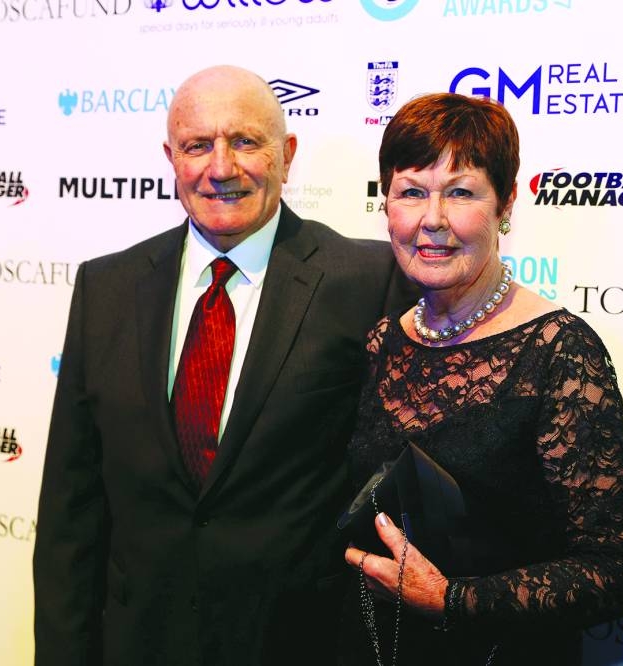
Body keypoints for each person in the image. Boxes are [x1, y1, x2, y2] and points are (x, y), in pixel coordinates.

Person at [33, 65, 414, 666]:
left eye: (244, 141)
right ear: (170, 158)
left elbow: (395, 490)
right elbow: (69, 514)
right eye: (197, 146)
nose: (220, 167)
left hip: (296, 645)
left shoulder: (368, 282)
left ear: (286, 154)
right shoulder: (105, 287)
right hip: (136, 645)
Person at [340, 93, 623, 666]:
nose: (433, 219)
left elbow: (618, 571)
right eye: (411, 191)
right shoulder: (385, 339)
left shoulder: (560, 352)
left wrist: (451, 600)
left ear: (506, 202)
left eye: (460, 192)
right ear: (386, 205)